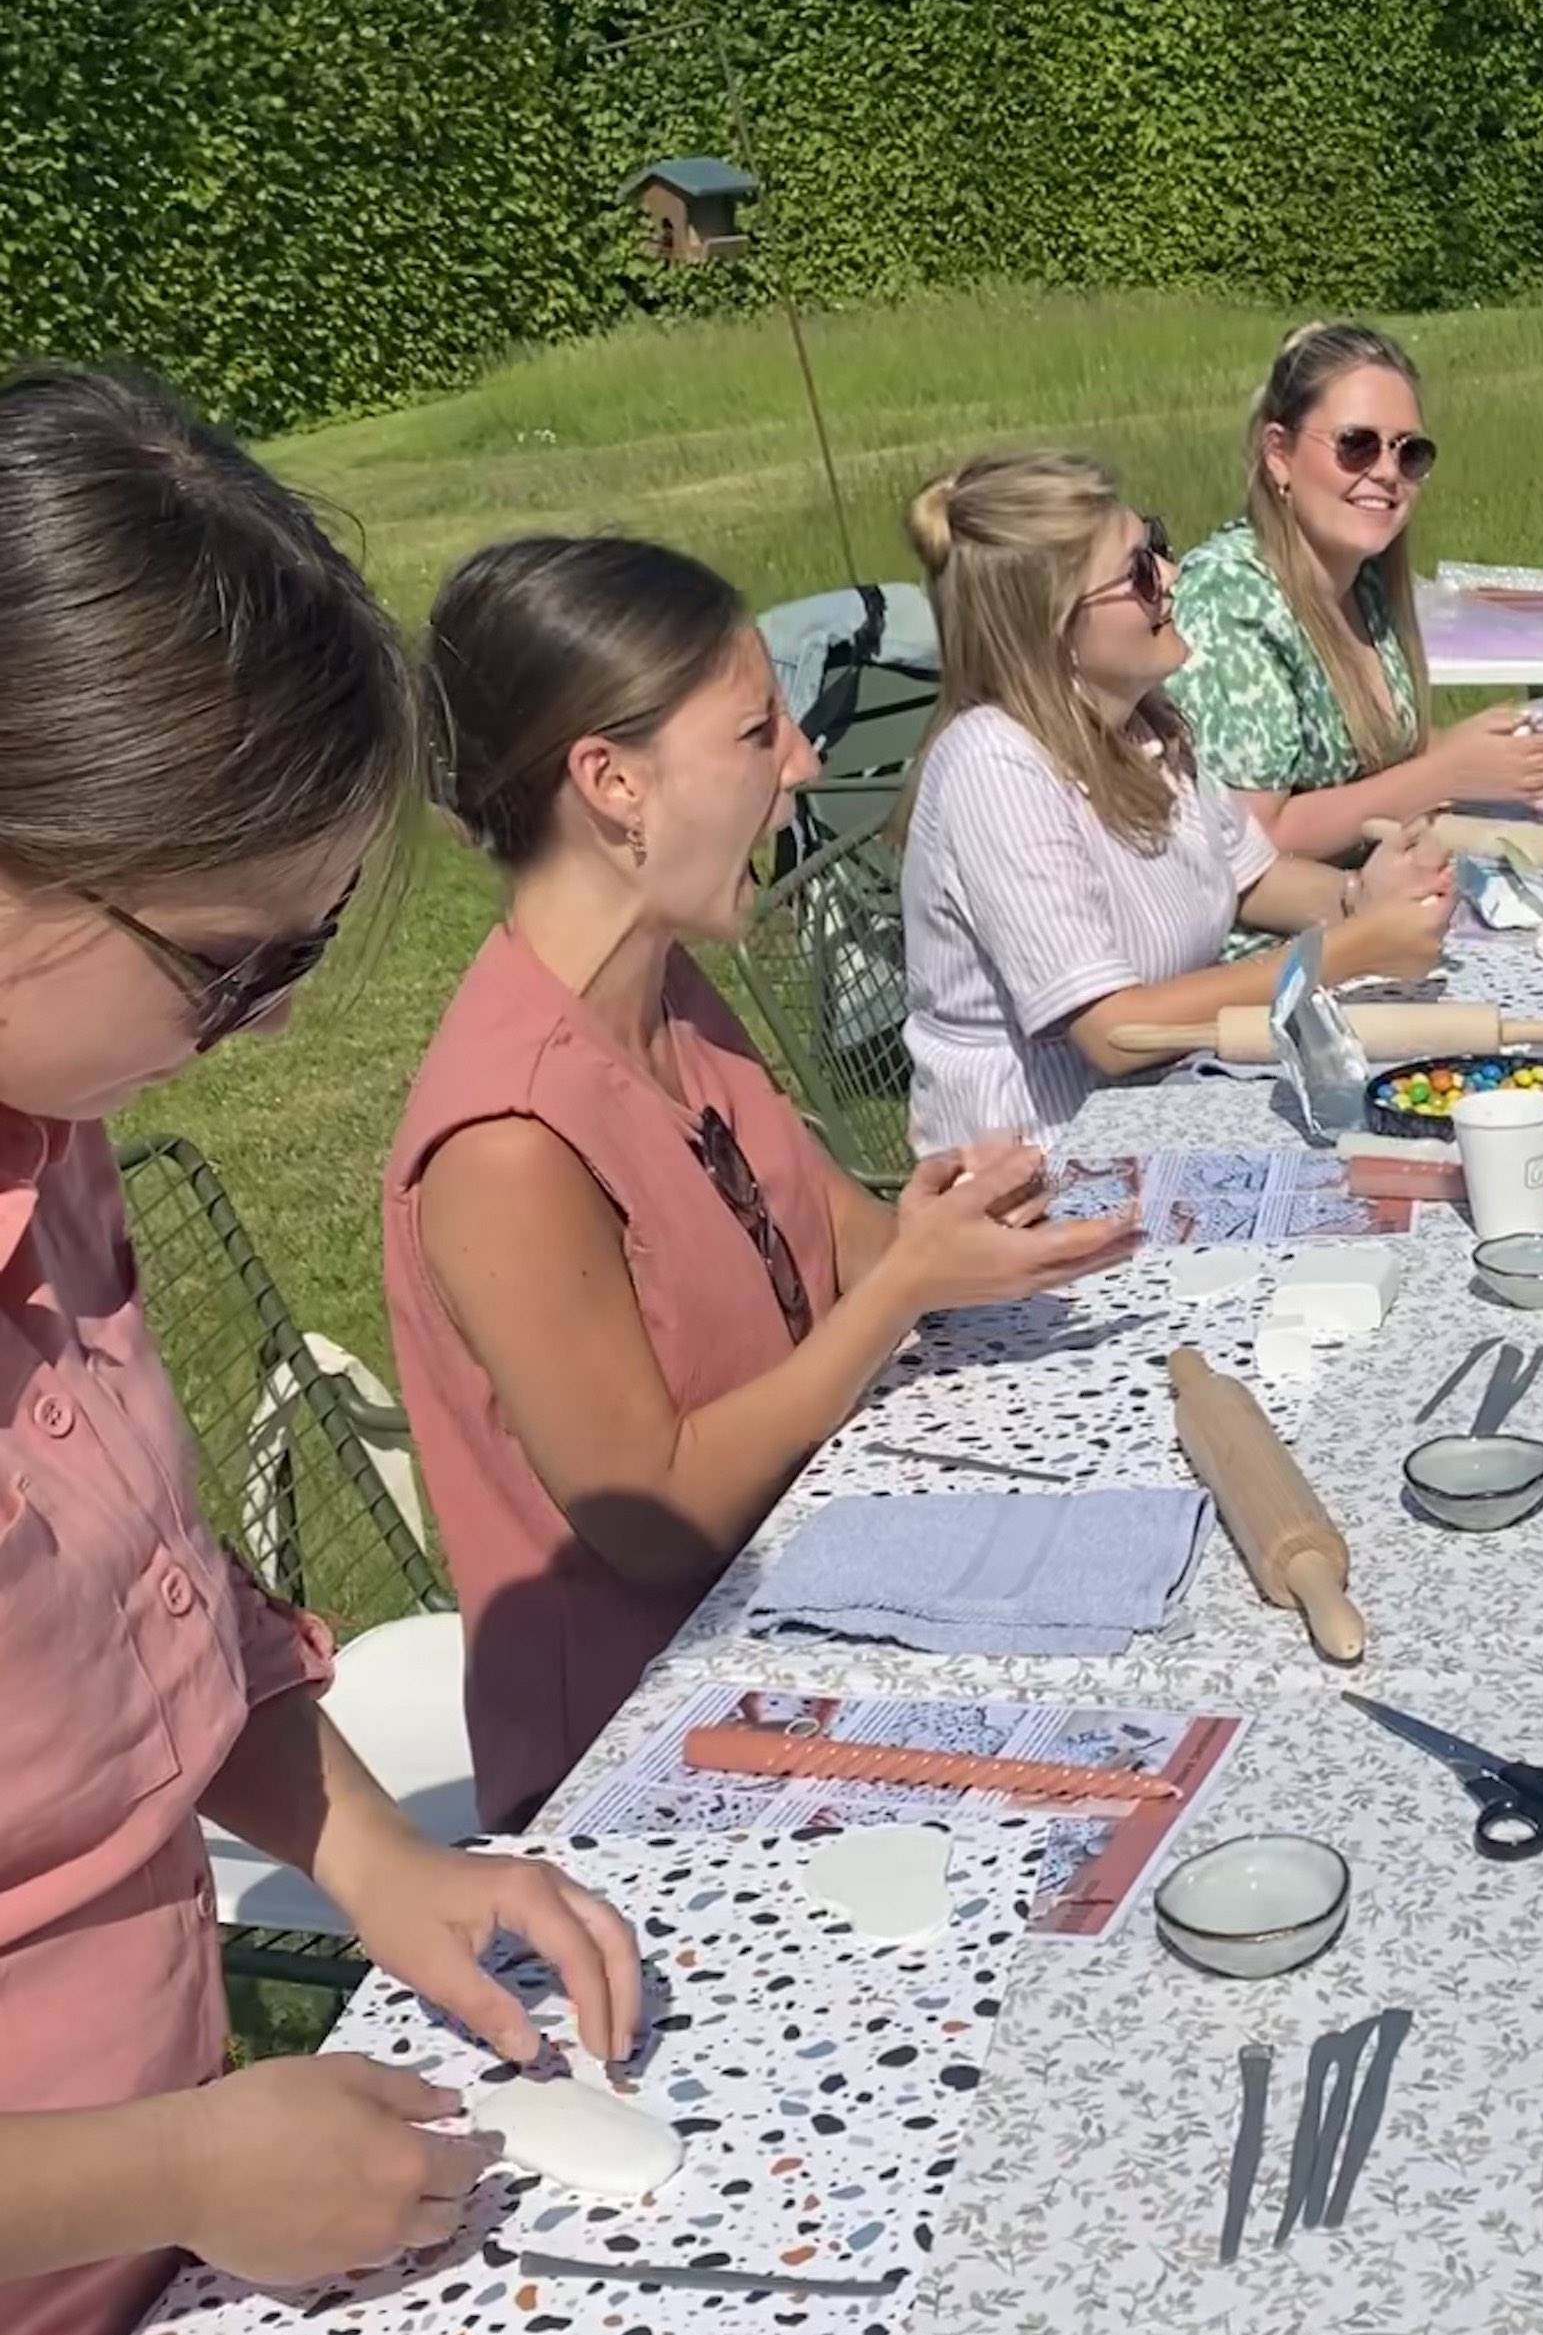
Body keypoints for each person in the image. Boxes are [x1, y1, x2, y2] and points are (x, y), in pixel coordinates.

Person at [0, 365, 640, 2335]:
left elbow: (148, 1611)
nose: (268, 1023)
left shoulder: (45, 1126)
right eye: (223, 962)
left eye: (310, 949)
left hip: (150, 2312)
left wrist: (375, 1858)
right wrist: (180, 2164)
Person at [389, 537, 1140, 1831]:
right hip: (646, 1770)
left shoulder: (663, 988)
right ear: (612, 784)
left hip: (813, 1619)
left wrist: (961, 1231)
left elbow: (843, 1242)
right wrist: (906, 1288)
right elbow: (661, 1517)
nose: (804, 762)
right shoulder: (508, 1141)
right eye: (757, 733)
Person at [896, 451, 1457, 1149]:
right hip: (1036, 1165)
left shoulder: (1140, 725)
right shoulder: (996, 769)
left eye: (1155, 545)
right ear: (1055, 629)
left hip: (1160, 1113)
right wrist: (1349, 950)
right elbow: (1116, 1032)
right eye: (1138, 572)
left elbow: (1248, 876)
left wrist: (1361, 894)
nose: (1170, 574)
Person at [1166, 320, 1543, 852]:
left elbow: (1370, 761)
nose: (1388, 472)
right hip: (1311, 907)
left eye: (1409, 453)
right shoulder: (1229, 599)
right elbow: (1254, 838)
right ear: (1279, 454)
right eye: (1357, 445)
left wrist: (1481, 750)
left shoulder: (1363, 578)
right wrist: (1449, 772)